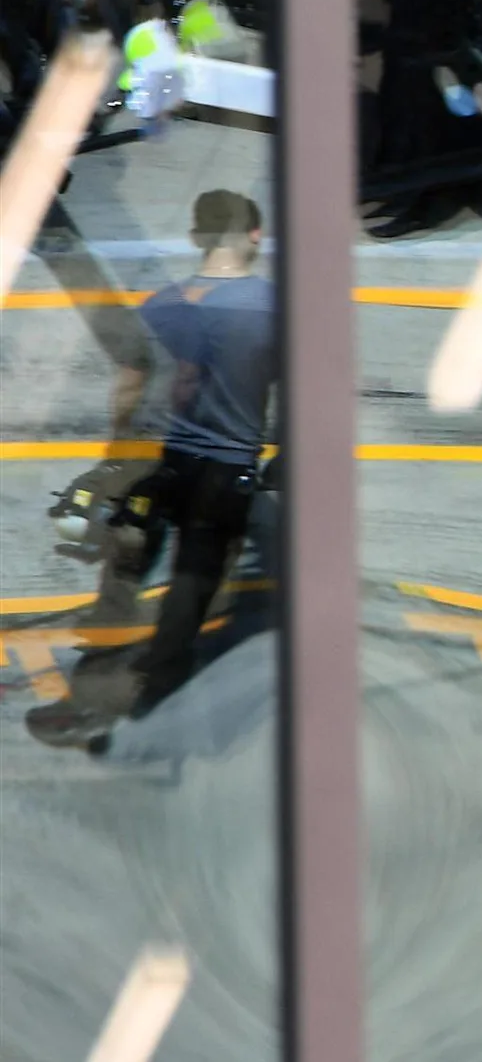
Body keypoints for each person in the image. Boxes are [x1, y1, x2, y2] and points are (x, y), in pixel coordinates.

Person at [28, 190, 277, 749]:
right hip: (227, 471)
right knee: (193, 591)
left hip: (157, 461)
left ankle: (92, 700)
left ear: (196, 238)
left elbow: (132, 386)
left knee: (124, 570)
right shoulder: (274, 308)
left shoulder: (165, 306)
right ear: (255, 237)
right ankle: (156, 694)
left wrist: (115, 464)